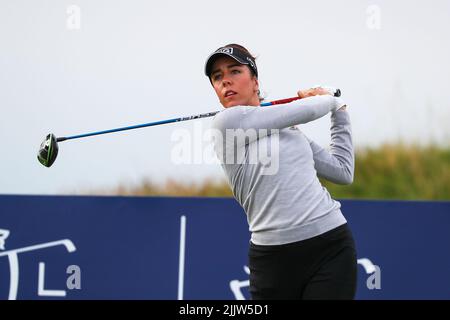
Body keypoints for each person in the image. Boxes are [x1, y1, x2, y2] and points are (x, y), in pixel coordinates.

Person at [205, 44, 357, 300]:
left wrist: (339, 111)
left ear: (255, 81)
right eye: (217, 77)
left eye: (234, 71)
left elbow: (343, 171)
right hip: (272, 261)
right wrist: (329, 97)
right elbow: (309, 110)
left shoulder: (289, 130)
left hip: (330, 246)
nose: (226, 81)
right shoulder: (226, 124)